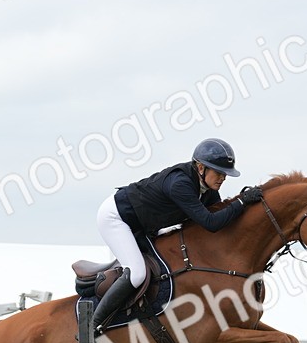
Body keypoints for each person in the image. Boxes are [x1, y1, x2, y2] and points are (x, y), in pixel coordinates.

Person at [92, 137, 263, 330]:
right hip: (117, 218)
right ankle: (91, 326)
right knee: (137, 273)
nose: (223, 177)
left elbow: (220, 222)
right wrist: (241, 202)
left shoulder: (208, 191)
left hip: (144, 225)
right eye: (219, 172)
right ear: (200, 167)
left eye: (226, 174)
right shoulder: (180, 184)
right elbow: (211, 223)